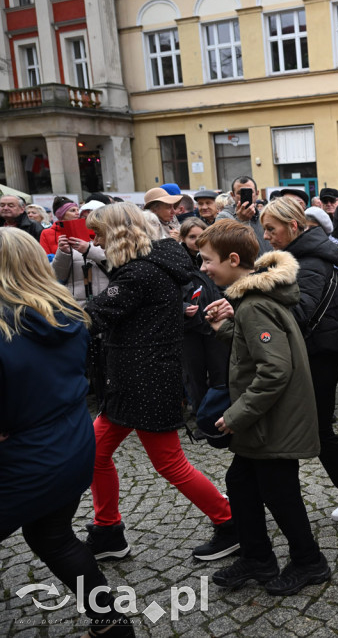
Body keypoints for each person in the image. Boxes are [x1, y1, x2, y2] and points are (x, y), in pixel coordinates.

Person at [83, 203, 237, 562]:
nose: (98, 241)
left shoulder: (140, 273)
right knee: (94, 453)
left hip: (145, 381)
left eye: (100, 234)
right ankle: (108, 530)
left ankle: (230, 521)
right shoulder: (151, 266)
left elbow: (92, 316)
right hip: (134, 380)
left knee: (170, 464)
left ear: (120, 233)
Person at [0, 228, 135, 638]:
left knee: (54, 537)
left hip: (26, 455)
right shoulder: (68, 313)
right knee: (53, 536)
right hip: (71, 446)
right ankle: (110, 624)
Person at [197, 221, 330, 596]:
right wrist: (226, 328)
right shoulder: (253, 299)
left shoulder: (253, 305)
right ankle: (258, 558)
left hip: (273, 423)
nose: (204, 267)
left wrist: (236, 415)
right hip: (268, 421)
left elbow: (275, 370)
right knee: (241, 483)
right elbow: (255, 349)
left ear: (233, 259)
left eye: (208, 260)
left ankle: (309, 561)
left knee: (280, 492)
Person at [260, 197, 338, 523]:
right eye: (264, 230)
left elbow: (299, 314)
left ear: (293, 226)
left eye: (271, 229)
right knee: (317, 430)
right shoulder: (298, 256)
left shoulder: (309, 262)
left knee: (320, 431)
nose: (266, 237)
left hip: (319, 356)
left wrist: (261, 291)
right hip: (315, 353)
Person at [179, 217, 230, 414]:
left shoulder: (216, 255)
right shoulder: (176, 261)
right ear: (183, 238)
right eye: (192, 237)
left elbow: (226, 283)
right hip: (189, 327)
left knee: (220, 371)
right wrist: (182, 307)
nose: (196, 241)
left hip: (214, 322)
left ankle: (220, 414)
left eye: (201, 236)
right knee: (194, 375)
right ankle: (202, 415)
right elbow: (168, 294)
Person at [52, 209, 110, 307]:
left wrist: (89, 250)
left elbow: (118, 265)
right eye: (84, 217)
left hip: (107, 305)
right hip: (79, 307)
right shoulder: (74, 246)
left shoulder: (118, 245)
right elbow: (58, 276)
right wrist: (63, 252)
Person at [217, 175, 273, 254]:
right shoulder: (224, 217)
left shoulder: (264, 216)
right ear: (233, 195)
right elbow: (225, 246)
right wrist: (241, 220)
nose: (246, 196)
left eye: (250, 192)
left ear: (257, 194)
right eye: (240, 193)